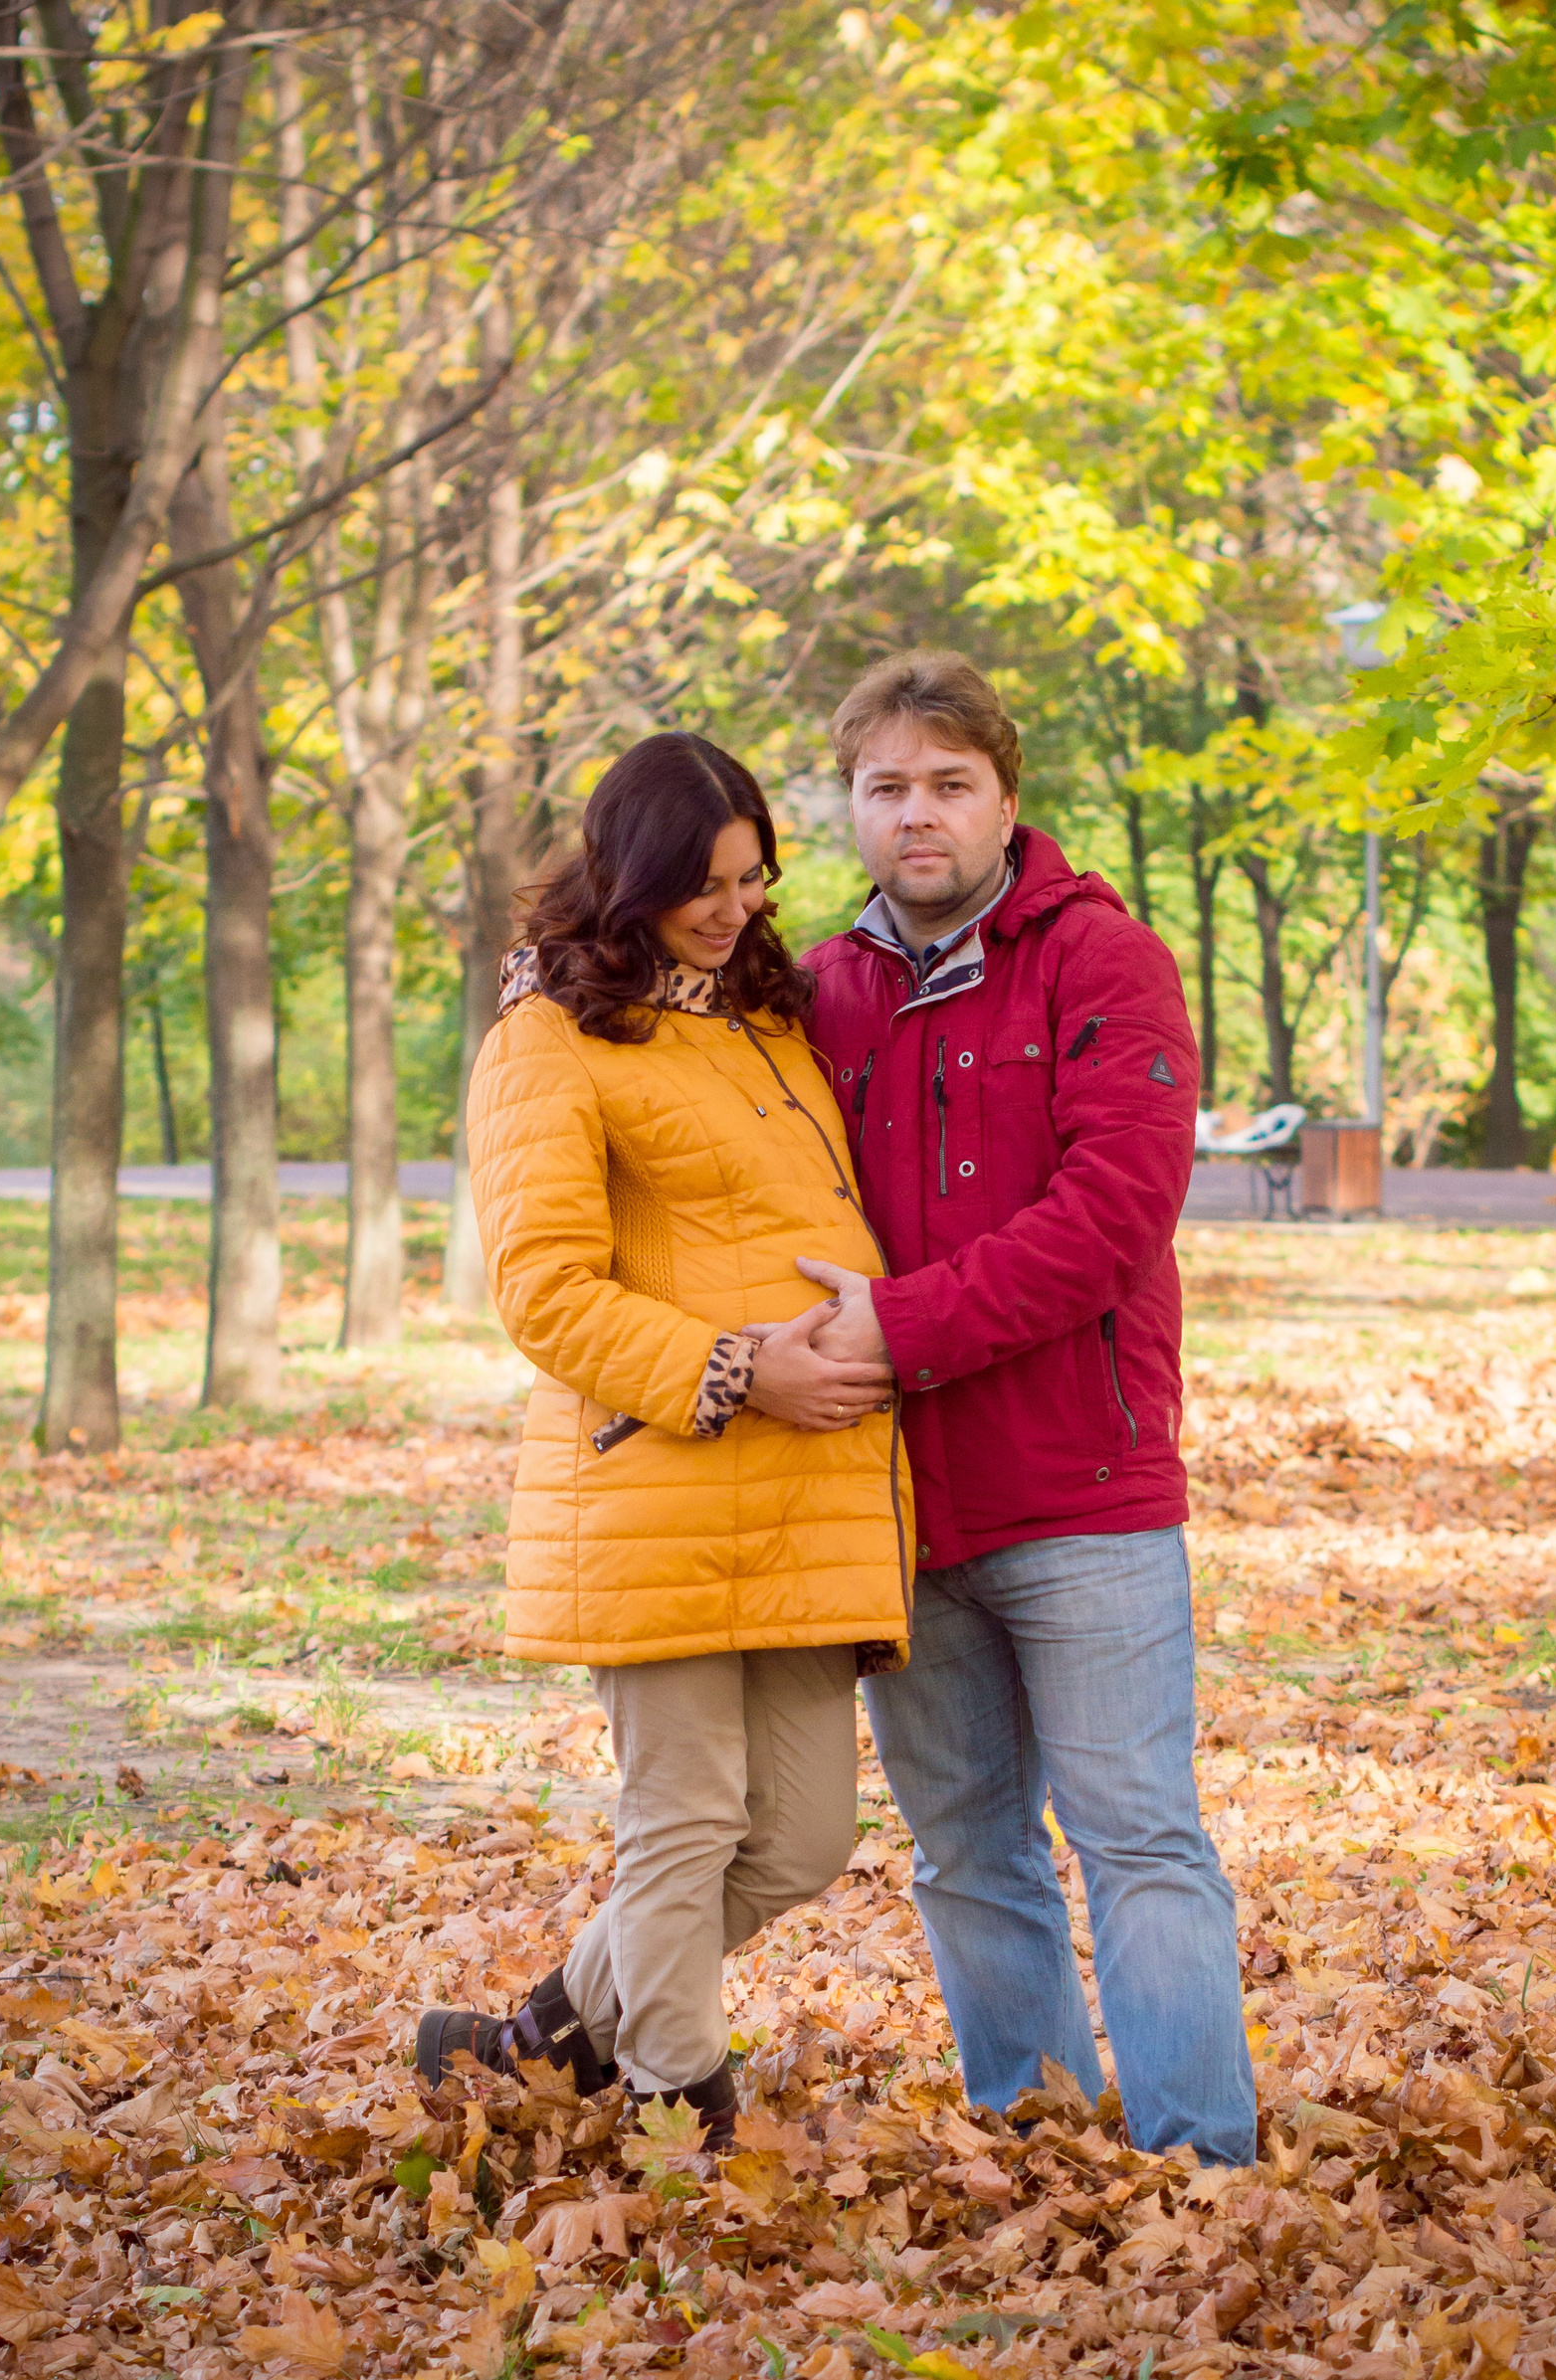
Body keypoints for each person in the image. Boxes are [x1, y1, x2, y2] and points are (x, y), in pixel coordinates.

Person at [416, 731, 908, 2153]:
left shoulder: (769, 1020)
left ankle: (543, 2032)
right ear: (626, 875)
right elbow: (545, 1288)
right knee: (684, 1818)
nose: (733, 907)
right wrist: (740, 1369)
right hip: (662, 1473)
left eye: (752, 877)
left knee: (805, 1837)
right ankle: (678, 2109)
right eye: (700, 882)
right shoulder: (546, 1034)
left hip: (810, 1486)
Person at [797, 649, 1257, 2166]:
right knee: (967, 1852)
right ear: (852, 802)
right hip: (903, 1505)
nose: (916, 814)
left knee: (1137, 1838)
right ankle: (1041, 2145)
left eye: (948, 784)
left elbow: (1111, 1216)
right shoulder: (816, 994)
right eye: (886, 787)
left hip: (1083, 1487)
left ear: (1006, 798)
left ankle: (1201, 2159)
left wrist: (898, 1329)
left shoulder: (1101, 962)